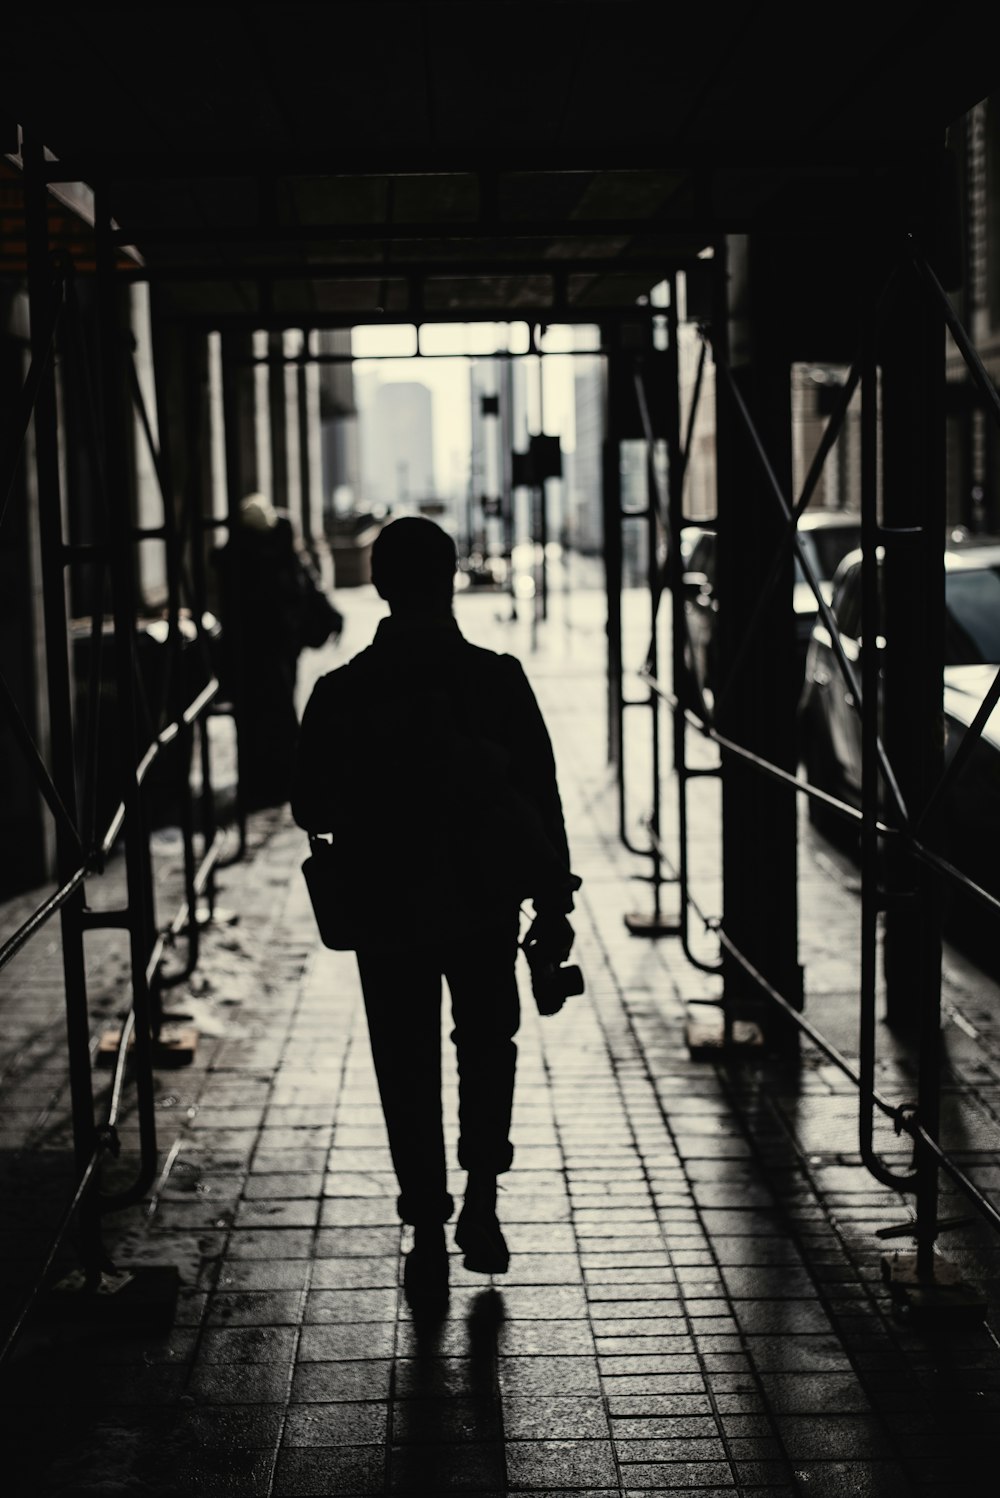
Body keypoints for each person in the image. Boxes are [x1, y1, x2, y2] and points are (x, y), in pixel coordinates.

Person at [291, 516, 579, 1306]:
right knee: (488, 1047)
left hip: (385, 911)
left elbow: (307, 802)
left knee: (405, 1063)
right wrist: (553, 905)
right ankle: (482, 1203)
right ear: (451, 577)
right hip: (484, 902)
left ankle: (424, 1223)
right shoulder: (497, 680)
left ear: (380, 585)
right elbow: (543, 802)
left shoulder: (341, 693)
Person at [213, 493, 342, 810]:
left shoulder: (244, 555)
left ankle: (269, 781)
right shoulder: (274, 551)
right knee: (273, 714)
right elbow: (305, 586)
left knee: (265, 716)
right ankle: (273, 781)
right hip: (274, 645)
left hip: (268, 647)